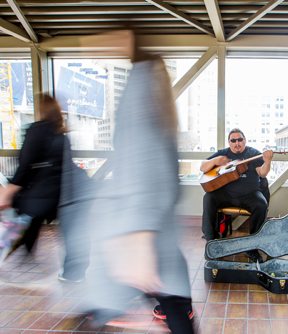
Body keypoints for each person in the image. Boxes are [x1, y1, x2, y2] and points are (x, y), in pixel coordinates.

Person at [79, 29, 194, 333]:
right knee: (177, 309)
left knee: (101, 311)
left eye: (103, 37)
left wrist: (140, 238)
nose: (92, 44)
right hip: (155, 233)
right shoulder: (158, 96)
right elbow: (168, 179)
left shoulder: (139, 85)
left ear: (124, 37)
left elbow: (144, 163)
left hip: (136, 234)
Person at [0, 94, 66, 254]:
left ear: (41, 111)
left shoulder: (35, 131)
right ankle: (27, 254)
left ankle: (21, 254)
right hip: (56, 197)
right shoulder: (62, 135)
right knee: (29, 227)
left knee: (18, 227)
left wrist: (9, 191)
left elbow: (24, 165)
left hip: (34, 197)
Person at [200, 129, 273, 244]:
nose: (236, 143)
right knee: (208, 198)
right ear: (229, 142)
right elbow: (203, 167)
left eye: (240, 140)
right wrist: (215, 160)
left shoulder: (253, 154)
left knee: (261, 205)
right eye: (233, 140)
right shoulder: (223, 153)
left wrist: (267, 162)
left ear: (245, 141)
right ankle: (211, 240)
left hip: (249, 194)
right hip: (226, 195)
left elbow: (262, 173)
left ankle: (254, 241)